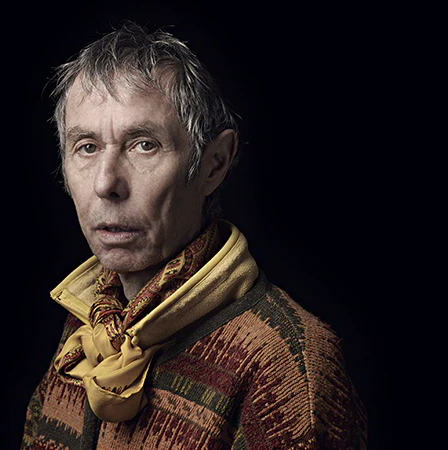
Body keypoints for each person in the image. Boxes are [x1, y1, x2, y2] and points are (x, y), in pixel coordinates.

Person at [21, 21, 367, 450]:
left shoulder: (288, 364)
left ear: (214, 164)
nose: (106, 183)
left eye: (143, 144)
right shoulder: (86, 323)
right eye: (87, 147)